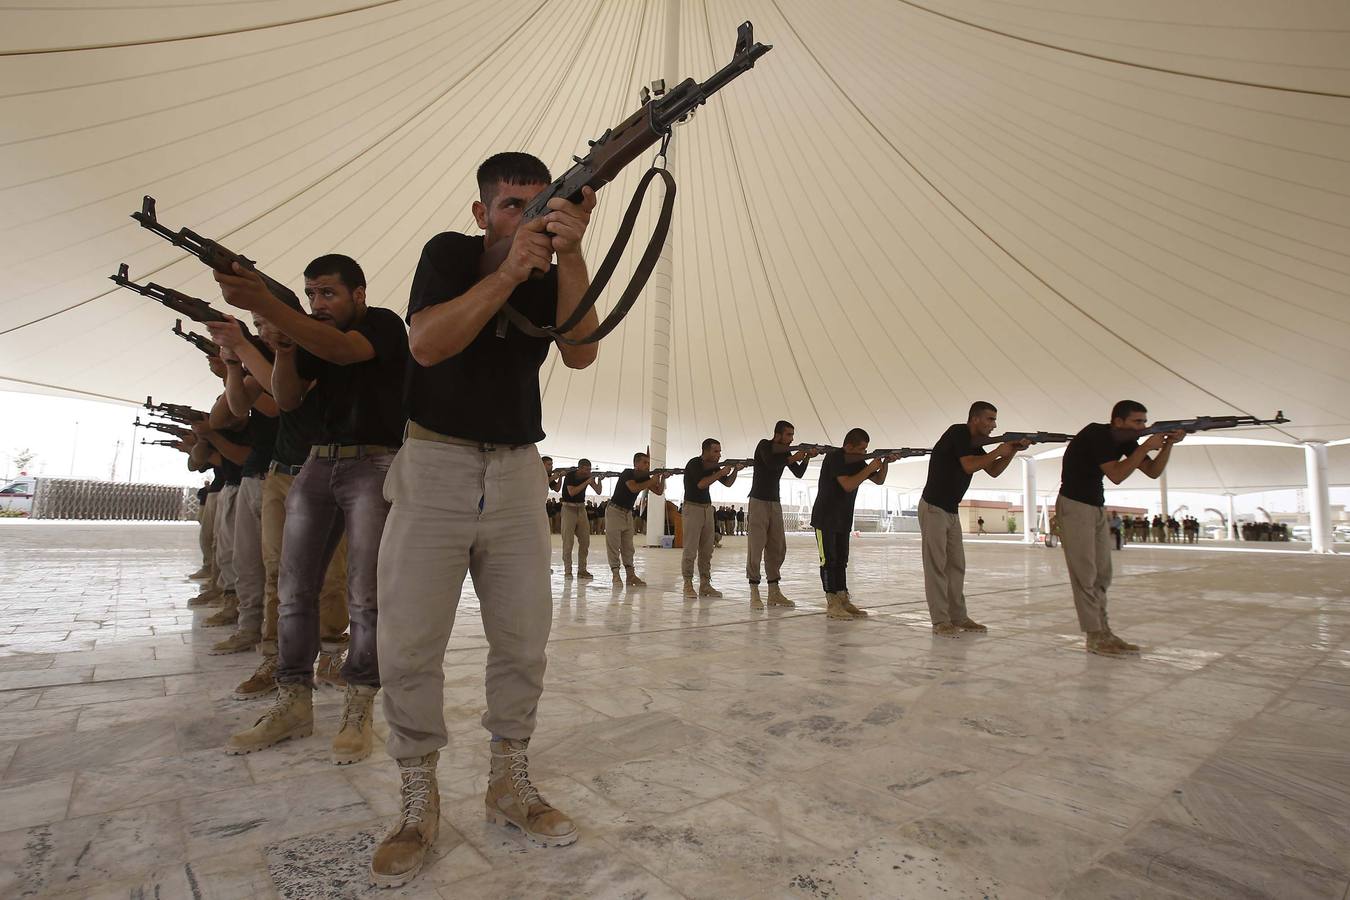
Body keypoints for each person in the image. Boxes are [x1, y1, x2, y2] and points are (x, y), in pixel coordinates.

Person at [371, 152, 599, 887]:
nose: (528, 218)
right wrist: (506, 271)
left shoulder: (554, 268)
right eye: (513, 207)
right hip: (435, 464)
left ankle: (509, 780)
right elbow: (428, 343)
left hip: (515, 470)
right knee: (408, 640)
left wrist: (574, 250)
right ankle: (416, 795)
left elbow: (584, 352)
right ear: (482, 213)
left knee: (524, 638)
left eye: (542, 206)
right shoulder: (451, 254)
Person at [218, 253, 408, 766]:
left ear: (358, 294)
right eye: (310, 294)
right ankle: (293, 701)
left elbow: (345, 354)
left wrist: (280, 318)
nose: (318, 304)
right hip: (317, 464)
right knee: (293, 590)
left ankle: (359, 705)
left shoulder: (382, 325)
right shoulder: (308, 334)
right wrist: (281, 350)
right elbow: (287, 400)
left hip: (374, 464)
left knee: (365, 596)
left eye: (328, 293)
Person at [207, 314, 354, 699]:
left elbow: (282, 402)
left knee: (332, 577)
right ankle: (276, 658)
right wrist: (234, 366)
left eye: (265, 320)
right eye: (256, 325)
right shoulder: (265, 363)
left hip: (323, 474)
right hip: (280, 475)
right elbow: (232, 410)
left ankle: (332, 655)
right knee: (276, 573)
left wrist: (244, 349)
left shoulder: (315, 355)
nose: (262, 330)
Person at [1056, 400, 1183, 658]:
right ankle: (1094, 636)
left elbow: (1152, 471)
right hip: (1075, 505)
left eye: (1144, 422)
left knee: (1103, 574)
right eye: (1137, 422)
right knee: (1086, 575)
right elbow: (1116, 474)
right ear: (1118, 421)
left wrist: (1168, 444)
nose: (1143, 426)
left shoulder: (1126, 440)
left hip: (1095, 507)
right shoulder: (1097, 434)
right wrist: (1147, 445)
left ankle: (1104, 631)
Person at [918, 402, 1027, 638]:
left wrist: (1013, 450)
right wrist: (999, 449)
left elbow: (994, 470)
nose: (994, 425)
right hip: (934, 507)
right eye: (989, 419)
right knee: (936, 566)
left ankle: (958, 616)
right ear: (975, 419)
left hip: (950, 510)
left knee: (956, 566)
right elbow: (969, 466)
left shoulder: (974, 444)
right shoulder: (958, 433)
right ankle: (940, 620)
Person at [811, 429, 896, 620]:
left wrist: (884, 464)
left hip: (842, 518)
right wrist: (869, 467)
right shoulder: (835, 458)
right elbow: (848, 484)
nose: (864, 453)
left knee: (842, 560)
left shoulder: (857, 460)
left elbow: (879, 480)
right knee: (829, 560)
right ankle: (832, 601)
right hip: (826, 518)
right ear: (848, 446)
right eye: (862, 449)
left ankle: (843, 597)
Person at [746, 421, 817, 609]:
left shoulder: (784, 452)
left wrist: (807, 457)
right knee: (756, 547)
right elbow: (771, 463)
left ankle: (774, 591)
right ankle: (754, 591)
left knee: (777, 548)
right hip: (758, 501)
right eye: (788, 435)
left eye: (792, 435)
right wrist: (795, 457)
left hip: (775, 503)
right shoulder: (764, 445)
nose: (791, 439)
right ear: (778, 435)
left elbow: (799, 473)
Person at [681, 439, 744, 599]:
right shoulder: (694, 463)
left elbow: (728, 483)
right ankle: (687, 584)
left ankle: (705, 584)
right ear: (706, 451)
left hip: (707, 508)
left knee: (707, 550)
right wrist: (720, 473)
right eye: (716, 451)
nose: (719, 454)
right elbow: (701, 484)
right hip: (693, 507)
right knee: (690, 549)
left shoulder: (714, 467)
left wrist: (735, 470)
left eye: (719, 451)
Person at [604, 453, 666, 586]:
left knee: (628, 547)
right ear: (636, 464)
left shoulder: (645, 478)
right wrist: (652, 480)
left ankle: (630, 576)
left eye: (648, 463)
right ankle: (615, 575)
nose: (647, 465)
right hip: (615, 511)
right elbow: (633, 488)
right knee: (613, 545)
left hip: (627, 513)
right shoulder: (627, 473)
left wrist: (662, 478)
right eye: (644, 462)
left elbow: (659, 491)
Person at [559, 459, 601, 578]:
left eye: (589, 469)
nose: (588, 471)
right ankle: (568, 571)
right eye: (586, 469)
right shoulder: (570, 476)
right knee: (568, 542)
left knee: (585, 542)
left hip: (581, 509)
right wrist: (587, 482)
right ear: (580, 468)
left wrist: (598, 480)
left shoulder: (588, 476)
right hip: (568, 509)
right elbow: (572, 492)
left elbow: (598, 491)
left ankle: (582, 570)